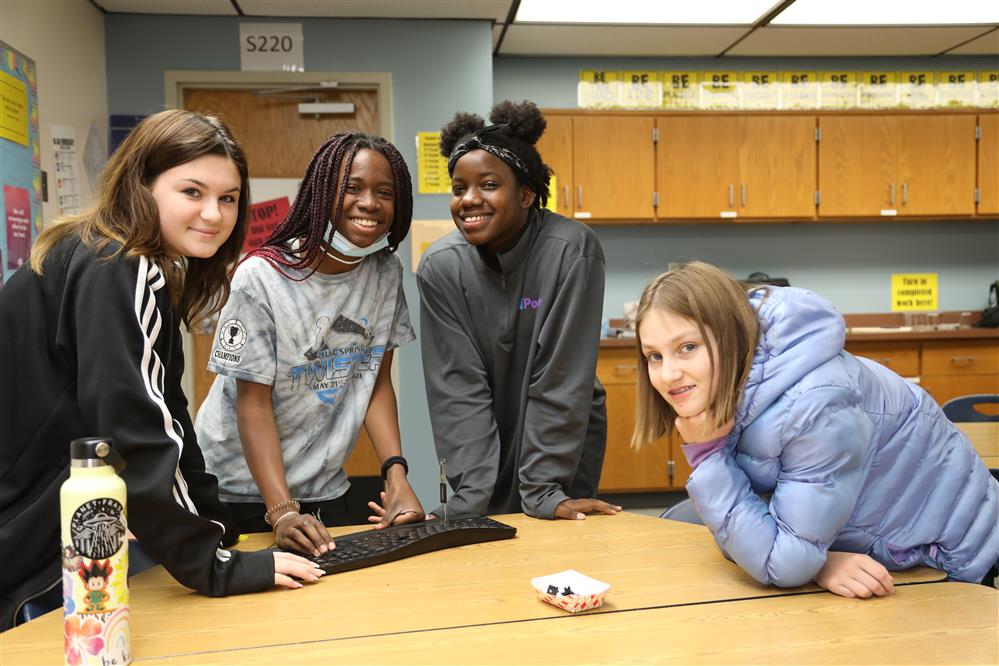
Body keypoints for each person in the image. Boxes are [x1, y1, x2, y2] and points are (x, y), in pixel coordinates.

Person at [0, 110, 322, 631]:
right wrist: (216, 567)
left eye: (228, 197)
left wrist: (215, 531)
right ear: (141, 185)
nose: (214, 215)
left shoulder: (118, 259)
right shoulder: (118, 266)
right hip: (19, 534)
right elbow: (136, 431)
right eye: (191, 192)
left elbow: (168, 410)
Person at [632, 261, 999, 597]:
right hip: (861, 539)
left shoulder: (814, 405)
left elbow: (783, 563)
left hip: (942, 562)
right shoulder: (738, 377)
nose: (667, 375)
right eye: (655, 355)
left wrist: (709, 457)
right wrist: (815, 560)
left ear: (730, 335)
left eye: (688, 347)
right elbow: (760, 527)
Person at [195, 131, 424, 558]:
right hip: (236, 491)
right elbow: (252, 402)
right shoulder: (261, 276)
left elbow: (374, 382)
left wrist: (396, 475)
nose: (369, 203)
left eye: (384, 192)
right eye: (352, 188)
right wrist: (281, 511)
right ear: (322, 192)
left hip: (323, 486)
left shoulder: (385, 273)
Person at [410, 100, 619, 521]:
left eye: (488, 185)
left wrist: (543, 489)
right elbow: (456, 386)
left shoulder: (572, 252)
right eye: (458, 188)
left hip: (560, 439)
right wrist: (468, 497)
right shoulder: (441, 267)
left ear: (526, 194)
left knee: (555, 558)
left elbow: (558, 377)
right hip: (484, 423)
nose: (469, 199)